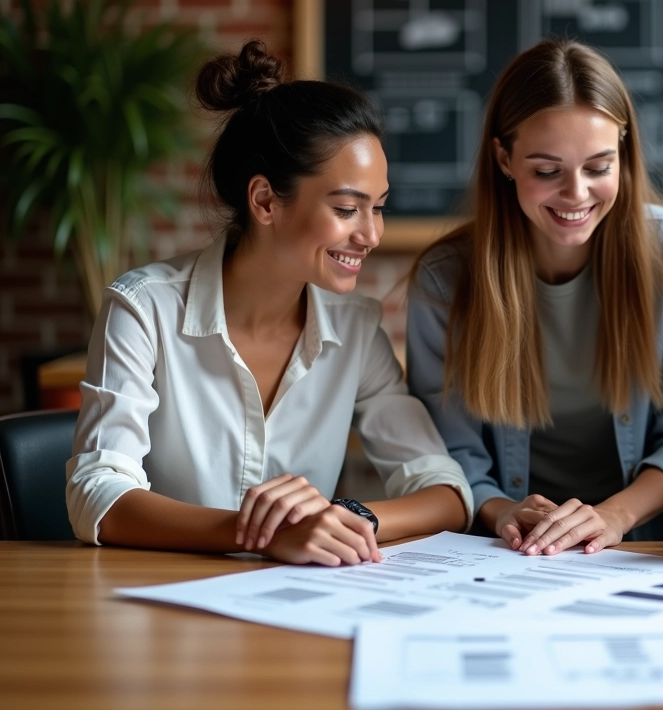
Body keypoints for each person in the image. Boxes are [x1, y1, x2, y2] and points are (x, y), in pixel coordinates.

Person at [66, 41, 473, 566]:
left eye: (379, 208)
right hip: (161, 606)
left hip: (291, 609)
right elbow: (97, 494)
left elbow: (446, 491)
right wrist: (258, 533)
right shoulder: (144, 310)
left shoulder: (355, 329)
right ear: (264, 201)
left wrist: (345, 518)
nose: (371, 234)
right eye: (348, 209)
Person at [407, 39, 663, 555]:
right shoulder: (445, 280)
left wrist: (613, 516)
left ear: (623, 154)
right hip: (504, 549)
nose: (576, 194)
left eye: (599, 168)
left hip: (641, 546)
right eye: (547, 171)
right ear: (504, 159)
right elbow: (452, 449)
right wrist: (501, 510)